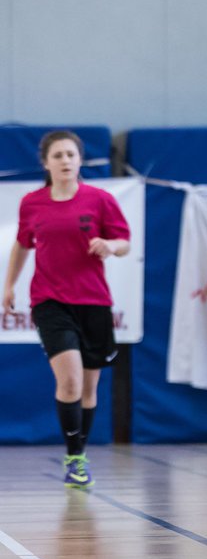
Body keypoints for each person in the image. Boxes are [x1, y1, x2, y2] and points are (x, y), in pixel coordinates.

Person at [3, 131, 130, 488]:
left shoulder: (100, 200)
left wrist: (110, 245)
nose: (65, 161)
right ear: (46, 162)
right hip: (50, 300)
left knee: (89, 389)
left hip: (94, 302)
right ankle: (74, 458)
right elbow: (22, 245)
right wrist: (9, 285)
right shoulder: (32, 203)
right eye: (57, 155)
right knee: (70, 379)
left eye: (70, 154)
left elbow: (124, 242)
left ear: (79, 160)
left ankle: (80, 451)